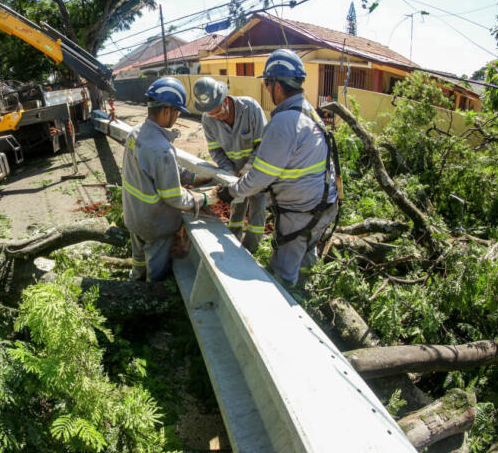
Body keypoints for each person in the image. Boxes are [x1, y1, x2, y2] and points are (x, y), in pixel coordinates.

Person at [216, 49, 339, 285]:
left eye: (267, 84)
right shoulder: (308, 111)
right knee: (305, 257)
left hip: (300, 213)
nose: (267, 90)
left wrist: (230, 192)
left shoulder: (283, 122)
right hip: (324, 206)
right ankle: (306, 299)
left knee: (283, 273)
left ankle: (289, 306)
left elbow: (259, 178)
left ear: (277, 86)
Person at [122, 77, 209, 282]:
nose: (177, 117)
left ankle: (134, 282)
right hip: (155, 223)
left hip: (134, 215)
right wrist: (202, 199)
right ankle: (150, 298)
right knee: (156, 270)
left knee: (139, 259)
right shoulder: (161, 149)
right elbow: (174, 198)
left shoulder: (136, 133)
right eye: (177, 112)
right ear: (167, 111)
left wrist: (193, 177)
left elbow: (156, 169)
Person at [193, 76, 267, 252]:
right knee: (237, 209)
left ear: (225, 99)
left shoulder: (250, 108)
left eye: (219, 112)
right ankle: (233, 245)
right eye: (212, 114)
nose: (217, 118)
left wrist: (247, 169)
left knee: (258, 211)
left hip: (257, 171)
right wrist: (229, 172)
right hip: (233, 174)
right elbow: (215, 151)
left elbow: (264, 145)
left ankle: (251, 250)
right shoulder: (208, 119)